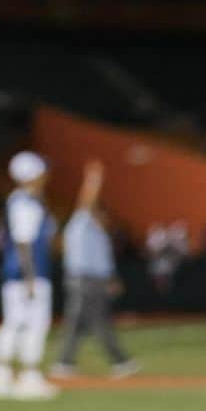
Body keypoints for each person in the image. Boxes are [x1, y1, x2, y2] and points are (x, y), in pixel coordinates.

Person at [0, 150, 61, 401]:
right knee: (32, 324)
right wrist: (30, 277)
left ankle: (1, 375)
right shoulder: (25, 203)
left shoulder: (22, 201)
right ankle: (27, 376)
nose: (46, 177)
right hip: (28, 274)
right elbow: (23, 242)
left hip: (20, 273)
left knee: (15, 322)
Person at [51, 161, 139, 378]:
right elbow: (86, 202)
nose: (106, 218)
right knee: (96, 321)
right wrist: (94, 179)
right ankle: (119, 361)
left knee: (79, 322)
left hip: (95, 279)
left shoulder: (100, 234)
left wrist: (111, 279)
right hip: (83, 279)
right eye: (102, 213)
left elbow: (103, 261)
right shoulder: (82, 223)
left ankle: (65, 363)